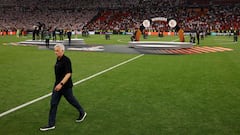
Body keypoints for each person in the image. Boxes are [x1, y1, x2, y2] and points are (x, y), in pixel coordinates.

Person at [40, 43, 87, 131]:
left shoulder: (66, 60)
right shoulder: (58, 59)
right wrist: (57, 84)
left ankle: (82, 112)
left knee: (72, 101)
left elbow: (68, 73)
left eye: (57, 51)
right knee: (53, 103)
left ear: (62, 50)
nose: (55, 52)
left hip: (65, 86)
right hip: (57, 85)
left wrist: (61, 84)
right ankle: (51, 124)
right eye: (55, 51)